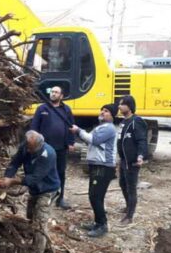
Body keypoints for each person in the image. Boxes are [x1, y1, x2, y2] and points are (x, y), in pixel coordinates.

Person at [0, 130, 60, 253]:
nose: (30, 151)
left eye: (32, 149)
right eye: (28, 148)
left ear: (40, 145)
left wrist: (12, 181)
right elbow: (14, 163)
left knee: (39, 224)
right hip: (35, 190)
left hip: (47, 190)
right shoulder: (25, 148)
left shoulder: (48, 154)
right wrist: (7, 176)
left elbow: (34, 179)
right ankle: (46, 246)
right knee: (32, 218)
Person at [70, 104, 118, 237]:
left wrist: (78, 130)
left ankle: (102, 225)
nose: (102, 112)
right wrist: (77, 142)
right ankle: (98, 222)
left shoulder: (109, 128)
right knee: (95, 195)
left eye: (106, 111)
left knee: (95, 196)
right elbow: (89, 141)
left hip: (103, 167)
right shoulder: (100, 127)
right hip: (96, 165)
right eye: (102, 110)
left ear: (112, 115)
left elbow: (94, 140)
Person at [30, 85, 75, 210]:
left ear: (61, 96)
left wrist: (71, 142)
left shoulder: (66, 110)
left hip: (61, 147)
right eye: (52, 92)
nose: (53, 94)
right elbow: (34, 128)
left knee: (61, 172)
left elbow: (71, 127)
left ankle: (60, 198)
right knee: (42, 171)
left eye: (56, 92)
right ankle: (41, 196)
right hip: (45, 149)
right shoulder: (42, 109)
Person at [117, 96, 148, 225]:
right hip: (123, 161)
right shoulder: (123, 122)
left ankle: (129, 216)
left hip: (132, 162)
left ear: (129, 106)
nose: (119, 107)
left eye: (122, 104)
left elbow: (142, 140)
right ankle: (128, 206)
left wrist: (140, 156)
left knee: (131, 188)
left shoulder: (136, 121)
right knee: (122, 184)